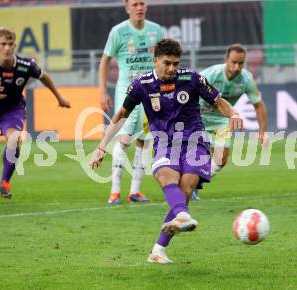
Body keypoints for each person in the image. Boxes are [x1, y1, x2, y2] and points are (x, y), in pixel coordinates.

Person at [90, 38, 243, 264]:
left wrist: (234, 114)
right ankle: (166, 239)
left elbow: (218, 101)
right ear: (155, 61)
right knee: (167, 179)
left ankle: (161, 246)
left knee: (186, 189)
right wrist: (101, 145)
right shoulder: (141, 85)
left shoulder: (192, 78)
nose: (172, 68)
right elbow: (121, 115)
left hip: (194, 141)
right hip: (164, 142)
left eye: (176, 63)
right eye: (167, 63)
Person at [0, 27, 71, 201]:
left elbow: (44, 76)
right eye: (3, 44)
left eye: (10, 44)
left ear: (15, 45)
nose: (7, 48)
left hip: (12, 110)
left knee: (15, 139)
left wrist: (59, 97)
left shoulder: (25, 65)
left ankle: (4, 182)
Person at [98, 0, 164, 204]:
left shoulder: (156, 30)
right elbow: (104, 60)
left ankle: (135, 191)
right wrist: (103, 91)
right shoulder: (118, 32)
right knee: (124, 138)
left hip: (151, 91)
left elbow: (163, 61)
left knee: (144, 140)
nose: (139, 7)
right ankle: (115, 191)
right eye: (135, 4)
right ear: (127, 8)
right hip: (127, 90)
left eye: (142, 3)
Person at [191, 43, 268, 200]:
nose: (237, 66)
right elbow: (190, 91)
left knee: (221, 159)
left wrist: (262, 132)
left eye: (241, 63)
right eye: (233, 62)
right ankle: (187, 184)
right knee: (196, 155)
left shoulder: (246, 79)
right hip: (199, 115)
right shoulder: (211, 74)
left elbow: (259, 105)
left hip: (222, 119)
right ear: (226, 59)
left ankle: (194, 184)